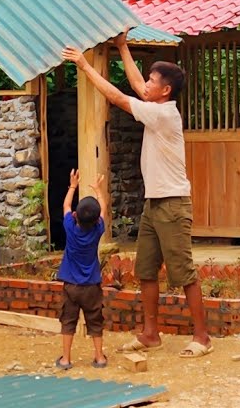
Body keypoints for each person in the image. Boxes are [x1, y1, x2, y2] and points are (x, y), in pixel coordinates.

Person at [61, 35, 212, 359]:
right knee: (145, 270)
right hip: (153, 203)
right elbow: (135, 84)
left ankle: (202, 337)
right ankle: (150, 334)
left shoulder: (164, 115)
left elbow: (118, 97)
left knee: (183, 272)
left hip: (173, 204)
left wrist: (85, 65)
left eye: (153, 82)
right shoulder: (155, 105)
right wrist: (122, 46)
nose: (146, 85)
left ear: (165, 91)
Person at [56, 169, 108, 370]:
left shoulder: (70, 227)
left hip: (71, 285)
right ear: (97, 221)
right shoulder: (98, 230)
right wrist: (98, 190)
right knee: (95, 321)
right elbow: (103, 208)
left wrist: (72, 185)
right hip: (92, 286)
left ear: (76, 216)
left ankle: (66, 359)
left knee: (68, 321)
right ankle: (99, 357)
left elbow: (66, 205)